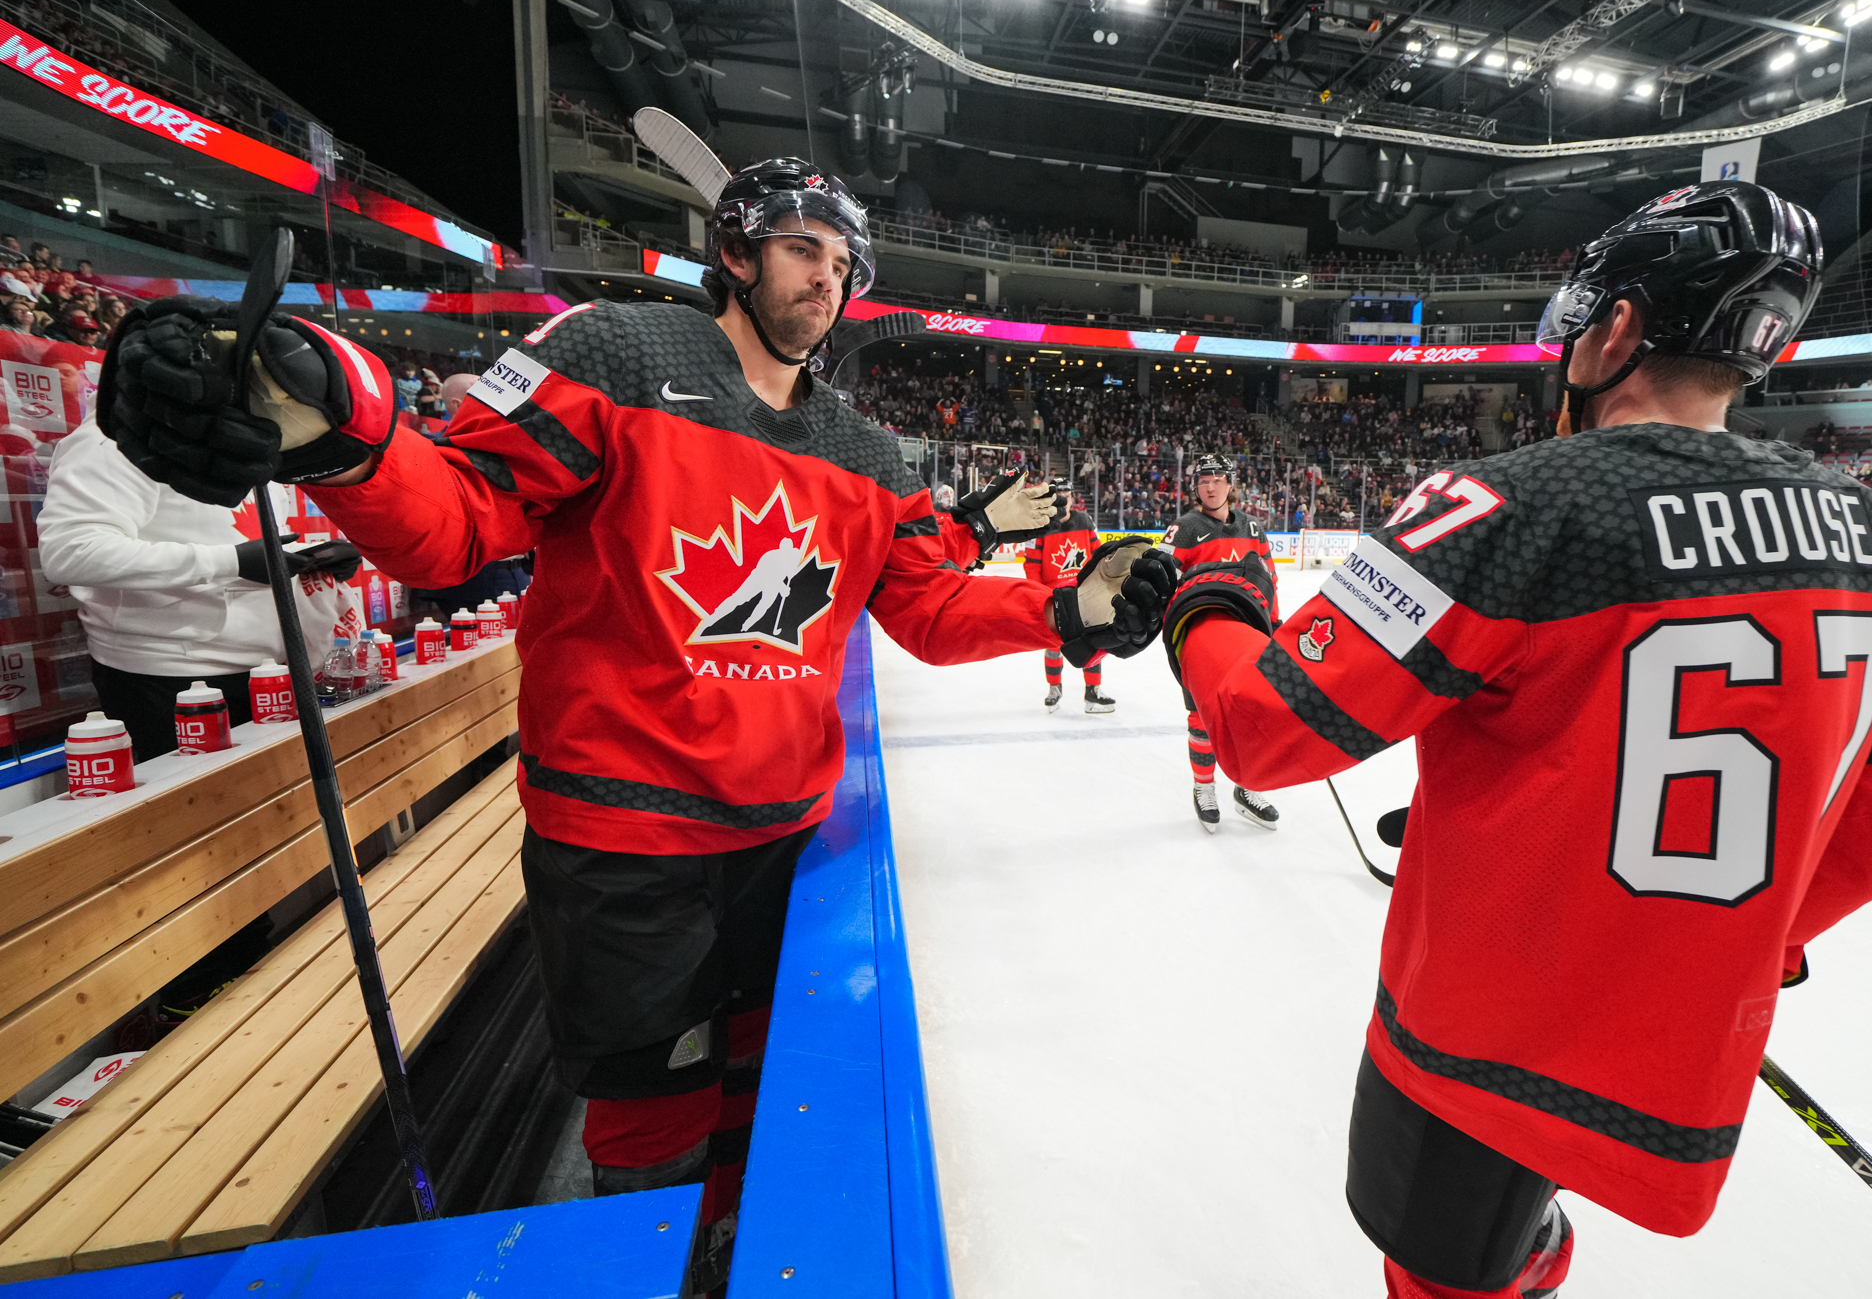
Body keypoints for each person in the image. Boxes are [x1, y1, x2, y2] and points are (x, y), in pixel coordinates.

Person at [97, 158, 1175, 1294]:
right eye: (803, 248)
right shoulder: (611, 353)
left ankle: (726, 1254)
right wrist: (345, 425)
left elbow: (926, 610)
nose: (826, 278)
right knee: (647, 1108)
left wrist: (1063, 612)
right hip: (621, 840)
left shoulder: (862, 450)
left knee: (759, 1090)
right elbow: (457, 522)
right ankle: (650, 1267)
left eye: (843, 263)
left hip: (783, 837)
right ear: (736, 252)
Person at [1160, 182, 1872, 1299]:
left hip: (1483, 1039)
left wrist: (1209, 601)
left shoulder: (1507, 503)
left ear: (1616, 328)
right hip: (1677, 1038)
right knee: (1506, 1242)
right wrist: (1729, 936)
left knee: (1444, 1273)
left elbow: (1260, 727)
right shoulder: (1869, 532)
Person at [38, 418, 360, 762]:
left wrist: (309, 558)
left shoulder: (240, 438)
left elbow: (234, 537)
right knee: (204, 795)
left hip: (267, 670)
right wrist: (231, 562)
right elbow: (70, 552)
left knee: (272, 789)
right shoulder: (111, 438)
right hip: (168, 676)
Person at [1164, 453, 1280, 832]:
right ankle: (1204, 788)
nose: (1210, 487)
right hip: (1200, 640)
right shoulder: (1183, 528)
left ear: (1231, 484)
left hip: (1247, 635)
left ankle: (1247, 787)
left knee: (1249, 714)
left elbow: (1270, 580)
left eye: (1217, 479)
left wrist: (1274, 625)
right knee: (1201, 718)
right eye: (1203, 480)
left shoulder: (1253, 528)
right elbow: (1160, 578)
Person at [1021, 480, 1114, 712]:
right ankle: (1054, 688)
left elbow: (1099, 556)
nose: (1064, 500)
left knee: (1093, 642)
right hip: (1054, 597)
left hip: (1085, 595)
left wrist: (1100, 586)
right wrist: (1040, 597)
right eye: (1058, 496)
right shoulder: (1040, 525)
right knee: (1053, 645)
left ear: (1073, 498)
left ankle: (1093, 692)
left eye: (1067, 496)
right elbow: (1032, 565)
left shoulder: (1085, 521)